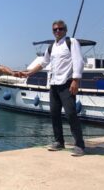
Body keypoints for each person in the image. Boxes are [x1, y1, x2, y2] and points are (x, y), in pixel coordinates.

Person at [22, 20, 85, 156]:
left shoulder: (72, 42)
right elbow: (43, 63)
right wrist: (29, 73)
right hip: (54, 85)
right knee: (54, 114)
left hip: (67, 83)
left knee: (71, 114)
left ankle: (79, 145)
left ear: (65, 30)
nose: (57, 31)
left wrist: (75, 80)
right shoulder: (51, 47)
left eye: (60, 29)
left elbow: (78, 60)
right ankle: (59, 142)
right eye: (55, 29)